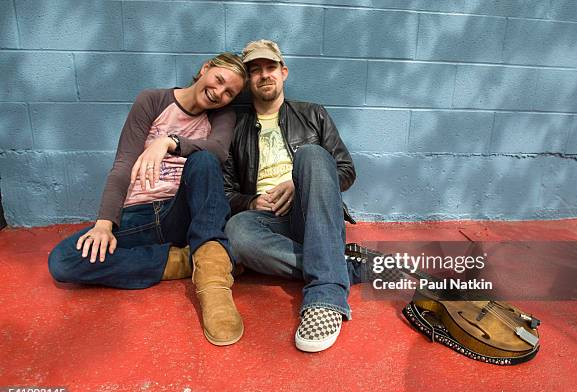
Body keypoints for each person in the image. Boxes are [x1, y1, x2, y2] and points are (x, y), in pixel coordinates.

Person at [48, 53, 247, 346]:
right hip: (138, 215)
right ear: (205, 69)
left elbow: (218, 150)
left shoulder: (222, 115)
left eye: (229, 92)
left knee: (204, 161)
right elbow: (124, 163)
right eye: (219, 80)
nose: (219, 93)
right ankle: (182, 262)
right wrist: (104, 223)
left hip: (181, 213)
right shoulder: (152, 101)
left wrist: (169, 142)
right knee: (64, 260)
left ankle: (214, 284)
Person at [223, 40, 363, 352]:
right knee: (236, 232)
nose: (264, 75)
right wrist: (250, 202)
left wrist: (298, 182)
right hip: (269, 219)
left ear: (283, 72)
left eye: (270, 67)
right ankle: (338, 264)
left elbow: (345, 170)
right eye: (255, 70)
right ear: (248, 81)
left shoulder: (313, 114)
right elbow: (227, 191)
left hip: (310, 208)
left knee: (312, 155)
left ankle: (326, 294)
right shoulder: (235, 128)